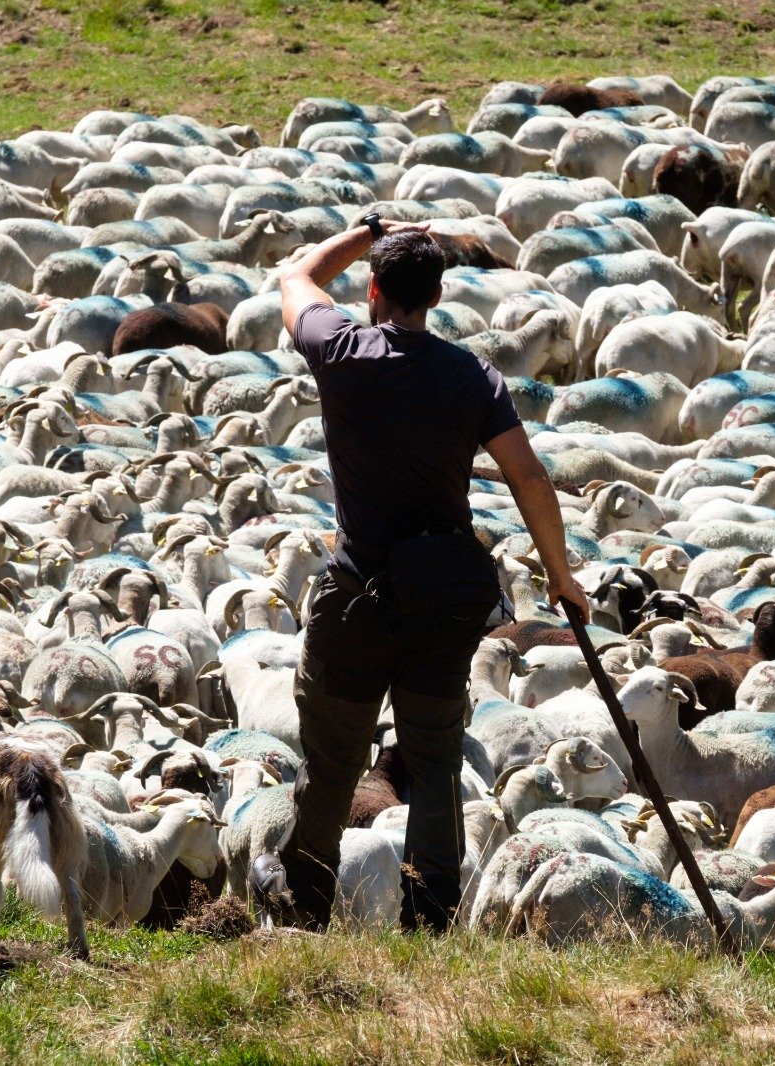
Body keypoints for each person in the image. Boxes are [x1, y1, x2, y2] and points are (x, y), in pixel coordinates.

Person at [253, 213, 589, 932]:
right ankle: (431, 913)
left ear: (373, 288)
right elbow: (529, 477)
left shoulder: (339, 348)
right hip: (440, 602)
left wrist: (366, 228)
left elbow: (295, 276)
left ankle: (306, 897)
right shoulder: (474, 377)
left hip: (357, 599)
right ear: (436, 296)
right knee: (435, 762)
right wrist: (560, 577)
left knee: (333, 760)